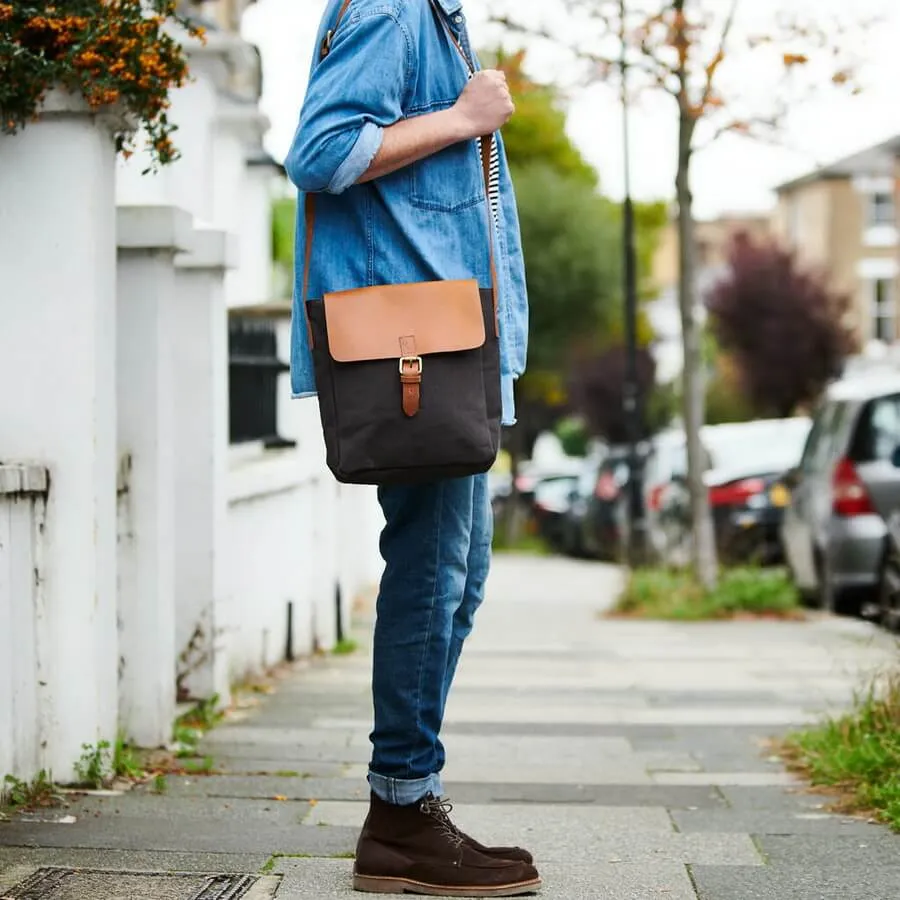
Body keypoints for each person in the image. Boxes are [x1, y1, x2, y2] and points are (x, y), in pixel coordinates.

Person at [285, 0, 536, 895]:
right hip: (414, 352)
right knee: (433, 576)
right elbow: (319, 151)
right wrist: (465, 119)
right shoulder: (394, 8)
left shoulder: (434, 16)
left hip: (453, 346)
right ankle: (399, 811)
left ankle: (407, 801)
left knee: (455, 581)